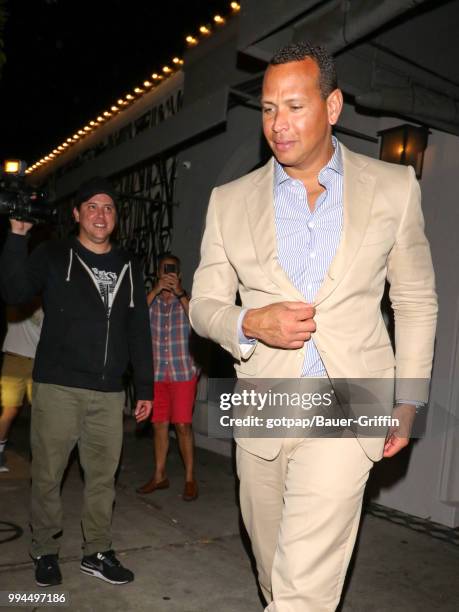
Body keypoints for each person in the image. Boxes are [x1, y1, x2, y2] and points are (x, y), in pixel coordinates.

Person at [190, 43, 437, 611]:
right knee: (275, 572)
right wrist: (249, 322)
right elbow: (202, 305)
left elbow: (418, 300)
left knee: (303, 590)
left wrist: (410, 402)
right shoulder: (229, 201)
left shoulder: (393, 188)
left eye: (295, 107)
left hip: (352, 402)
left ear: (332, 107)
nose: (278, 124)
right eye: (269, 109)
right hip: (263, 404)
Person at [0, 177, 153, 588]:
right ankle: (45, 550)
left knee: (103, 478)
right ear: (77, 214)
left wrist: (146, 386)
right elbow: (13, 289)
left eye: (108, 208)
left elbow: (138, 327)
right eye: (92, 207)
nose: (101, 214)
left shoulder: (127, 265)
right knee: (48, 475)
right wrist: (17, 236)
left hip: (108, 393)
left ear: (115, 218)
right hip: (59, 387)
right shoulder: (54, 255)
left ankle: (96, 551)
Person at [137, 254, 199, 501]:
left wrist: (180, 293)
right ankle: (159, 475)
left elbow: (199, 321)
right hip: (157, 372)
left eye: (172, 271)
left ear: (180, 275)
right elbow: (134, 319)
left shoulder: (187, 300)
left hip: (183, 371)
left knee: (182, 425)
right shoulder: (150, 301)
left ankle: (190, 478)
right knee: (159, 424)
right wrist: (155, 290)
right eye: (164, 271)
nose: (168, 275)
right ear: (157, 273)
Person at [0, 302, 43, 472]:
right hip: (14, 359)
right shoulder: (15, 296)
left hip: (39, 362)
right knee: (8, 411)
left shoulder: (49, 298)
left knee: (41, 414)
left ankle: (39, 460)